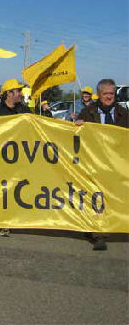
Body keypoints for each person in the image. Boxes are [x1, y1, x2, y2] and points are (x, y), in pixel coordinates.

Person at [75, 79, 128, 250]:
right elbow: (75, 135)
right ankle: (97, 233)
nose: (109, 97)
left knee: (114, 197)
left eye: (111, 94)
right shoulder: (87, 112)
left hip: (116, 164)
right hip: (94, 164)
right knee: (96, 198)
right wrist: (77, 126)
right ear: (99, 94)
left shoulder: (123, 113)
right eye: (105, 94)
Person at [0, 79, 31, 237]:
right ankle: (2, 220)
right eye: (18, 91)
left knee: (16, 188)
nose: (20, 93)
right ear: (9, 93)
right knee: (0, 188)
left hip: (18, 157)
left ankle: (12, 218)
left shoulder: (25, 111)